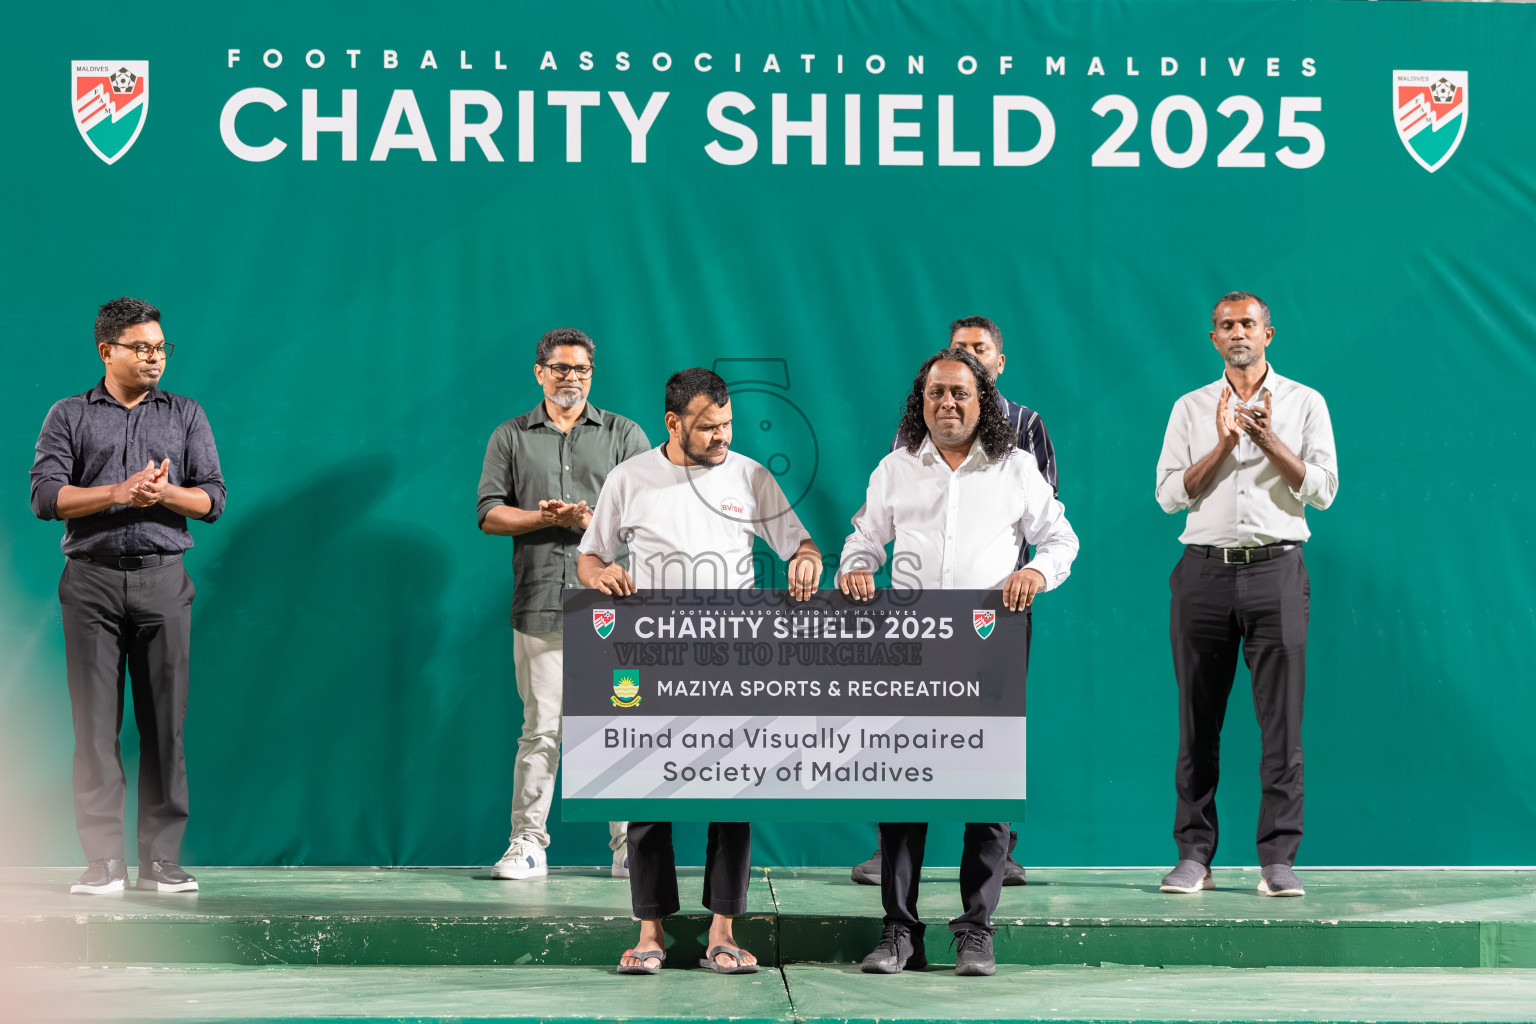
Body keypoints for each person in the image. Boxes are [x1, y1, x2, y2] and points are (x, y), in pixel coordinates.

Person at [838, 348, 1079, 976]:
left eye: (960, 393)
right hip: (908, 646)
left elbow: (1061, 539)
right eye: (936, 393)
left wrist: (1035, 572)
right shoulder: (896, 468)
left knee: (987, 792)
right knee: (900, 790)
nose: (947, 403)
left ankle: (976, 931)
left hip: (986, 645)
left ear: (983, 402)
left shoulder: (1015, 468)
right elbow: (864, 540)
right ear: (920, 403)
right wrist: (857, 567)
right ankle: (899, 932)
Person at [577, 367, 821, 974]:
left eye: (728, 424)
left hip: (732, 656)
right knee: (644, 793)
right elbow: (590, 557)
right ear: (673, 422)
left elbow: (802, 544)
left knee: (732, 792)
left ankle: (723, 932)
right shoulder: (629, 478)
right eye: (709, 427)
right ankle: (650, 933)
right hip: (649, 656)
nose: (722, 436)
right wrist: (602, 574)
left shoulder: (751, 476)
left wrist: (806, 561)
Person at [29, 297, 226, 895]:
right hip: (89, 583)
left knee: (166, 726)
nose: (154, 358)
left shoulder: (186, 414)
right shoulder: (68, 415)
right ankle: (104, 863)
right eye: (141, 348)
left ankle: (161, 862)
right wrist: (119, 490)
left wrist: (163, 494)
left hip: (163, 580)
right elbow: (46, 498)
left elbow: (212, 499)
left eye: (161, 348)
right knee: (94, 729)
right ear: (106, 351)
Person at [1154, 292, 1338, 898]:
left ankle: (1278, 861)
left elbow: (1324, 491)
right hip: (1203, 574)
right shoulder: (1190, 407)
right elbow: (1168, 497)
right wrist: (1225, 446)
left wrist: (1269, 441)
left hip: (1276, 571)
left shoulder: (1305, 403)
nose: (1238, 333)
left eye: (1249, 324)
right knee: (1196, 724)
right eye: (1227, 325)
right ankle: (1193, 857)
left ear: (1268, 334)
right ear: (1214, 338)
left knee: (1281, 726)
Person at [477, 328, 650, 881]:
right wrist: (545, 517)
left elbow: (651, 514)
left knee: (620, 725)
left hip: (614, 608)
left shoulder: (625, 434)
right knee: (541, 729)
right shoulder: (510, 436)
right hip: (540, 605)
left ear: (591, 375)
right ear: (540, 372)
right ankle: (527, 844)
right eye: (560, 368)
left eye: (580, 369)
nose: (570, 378)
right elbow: (489, 513)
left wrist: (589, 520)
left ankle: (630, 848)